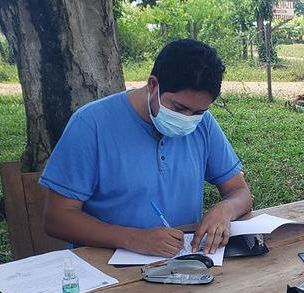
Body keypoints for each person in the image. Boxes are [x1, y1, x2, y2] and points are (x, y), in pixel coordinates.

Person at [40, 39, 252, 257]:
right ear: (153, 85)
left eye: (198, 112)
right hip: (107, 268)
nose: (187, 119)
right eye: (179, 107)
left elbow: (239, 191)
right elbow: (57, 218)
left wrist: (225, 210)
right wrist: (132, 238)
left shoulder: (203, 124)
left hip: (184, 262)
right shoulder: (91, 124)